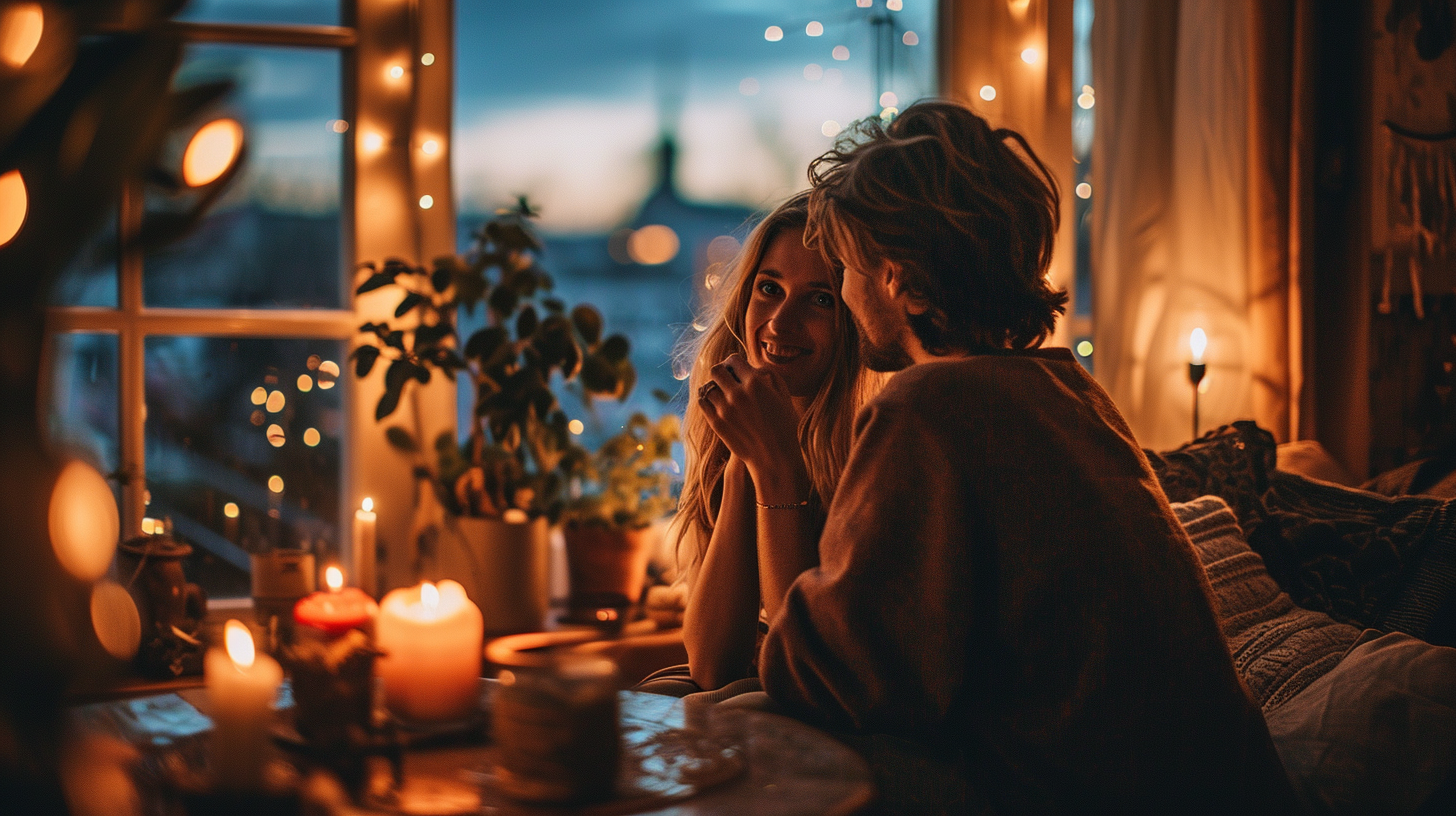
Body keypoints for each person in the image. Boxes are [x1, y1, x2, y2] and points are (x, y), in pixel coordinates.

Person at [699, 101, 1300, 812]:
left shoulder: (927, 409)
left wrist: (774, 468)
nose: (850, 294)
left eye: (847, 272)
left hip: (1078, 795)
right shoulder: (1067, 391)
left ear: (893, 274)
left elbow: (813, 685)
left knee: (720, 734)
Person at [670, 192, 881, 692]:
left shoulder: (878, 450)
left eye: (821, 299)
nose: (779, 324)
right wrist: (748, 461)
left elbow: (812, 671)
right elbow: (711, 665)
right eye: (769, 288)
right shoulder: (735, 428)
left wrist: (774, 466)